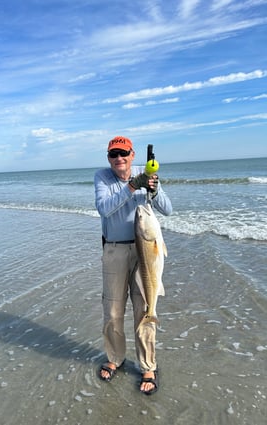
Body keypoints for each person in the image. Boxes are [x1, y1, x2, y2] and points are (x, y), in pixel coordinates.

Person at [94, 136, 172, 395]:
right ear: (108, 158)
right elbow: (104, 209)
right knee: (113, 311)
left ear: (132, 154)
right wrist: (131, 187)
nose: (119, 158)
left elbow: (168, 210)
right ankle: (115, 358)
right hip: (115, 249)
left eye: (123, 153)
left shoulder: (145, 172)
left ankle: (148, 366)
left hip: (145, 250)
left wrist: (154, 190)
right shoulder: (102, 177)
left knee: (145, 309)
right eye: (113, 154)